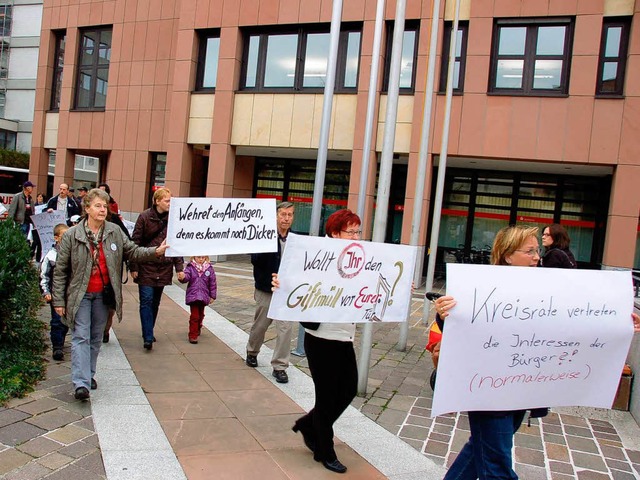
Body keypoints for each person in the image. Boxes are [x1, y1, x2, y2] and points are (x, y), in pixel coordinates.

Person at [433, 225, 640, 480]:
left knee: (481, 450)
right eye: (529, 251)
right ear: (508, 255)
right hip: (488, 391)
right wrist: (443, 314)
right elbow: (459, 328)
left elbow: (577, 322)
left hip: (522, 389)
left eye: (537, 250)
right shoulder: (479, 287)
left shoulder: (547, 289)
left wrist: (620, 322)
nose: (536, 257)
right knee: (497, 466)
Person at [52, 188, 169, 400]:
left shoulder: (114, 231)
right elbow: (60, 271)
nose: (103, 210)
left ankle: (89, 374)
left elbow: (133, 251)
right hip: (80, 295)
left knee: (95, 337)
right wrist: (58, 300)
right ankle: (81, 383)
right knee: (80, 336)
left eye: (105, 206)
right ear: (86, 209)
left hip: (103, 295)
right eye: (98, 206)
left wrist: (155, 251)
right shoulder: (72, 235)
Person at [280, 208, 361, 474]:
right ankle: (325, 450)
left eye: (358, 231)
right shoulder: (318, 257)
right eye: (351, 231)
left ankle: (307, 424)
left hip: (344, 335)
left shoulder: (359, 261)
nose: (357, 236)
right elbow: (295, 283)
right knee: (327, 397)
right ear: (335, 233)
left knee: (348, 389)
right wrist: (280, 283)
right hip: (321, 337)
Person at [245, 201, 295, 384]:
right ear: (276, 216)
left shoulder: (296, 239)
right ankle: (252, 351)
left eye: (290, 215)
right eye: (283, 214)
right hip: (265, 287)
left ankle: (280, 366)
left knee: (285, 328)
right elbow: (255, 260)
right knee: (260, 325)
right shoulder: (263, 235)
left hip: (285, 292)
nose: (286, 218)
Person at [130, 187, 184, 350]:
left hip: (164, 267)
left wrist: (179, 267)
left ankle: (149, 329)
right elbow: (135, 243)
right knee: (146, 301)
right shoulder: (144, 217)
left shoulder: (174, 219)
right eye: (167, 200)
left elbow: (176, 244)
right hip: (147, 265)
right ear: (157, 201)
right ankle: (147, 336)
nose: (170, 203)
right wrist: (134, 265)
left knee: (155, 302)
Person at [41, 223, 69, 361]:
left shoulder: (72, 254)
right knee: (57, 321)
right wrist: (45, 291)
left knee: (66, 321)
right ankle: (57, 347)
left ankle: (61, 339)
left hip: (69, 294)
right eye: (64, 236)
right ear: (56, 238)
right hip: (55, 294)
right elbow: (44, 275)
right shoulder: (51, 256)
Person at [179, 255, 217, 344]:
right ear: (194, 257)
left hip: (204, 295)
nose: (200, 259)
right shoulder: (190, 267)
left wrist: (212, 296)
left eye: (203, 257)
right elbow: (186, 277)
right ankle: (193, 335)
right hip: (193, 296)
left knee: (201, 314)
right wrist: (183, 277)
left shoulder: (209, 268)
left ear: (206, 258)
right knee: (194, 316)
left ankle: (198, 326)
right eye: (198, 257)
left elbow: (213, 283)